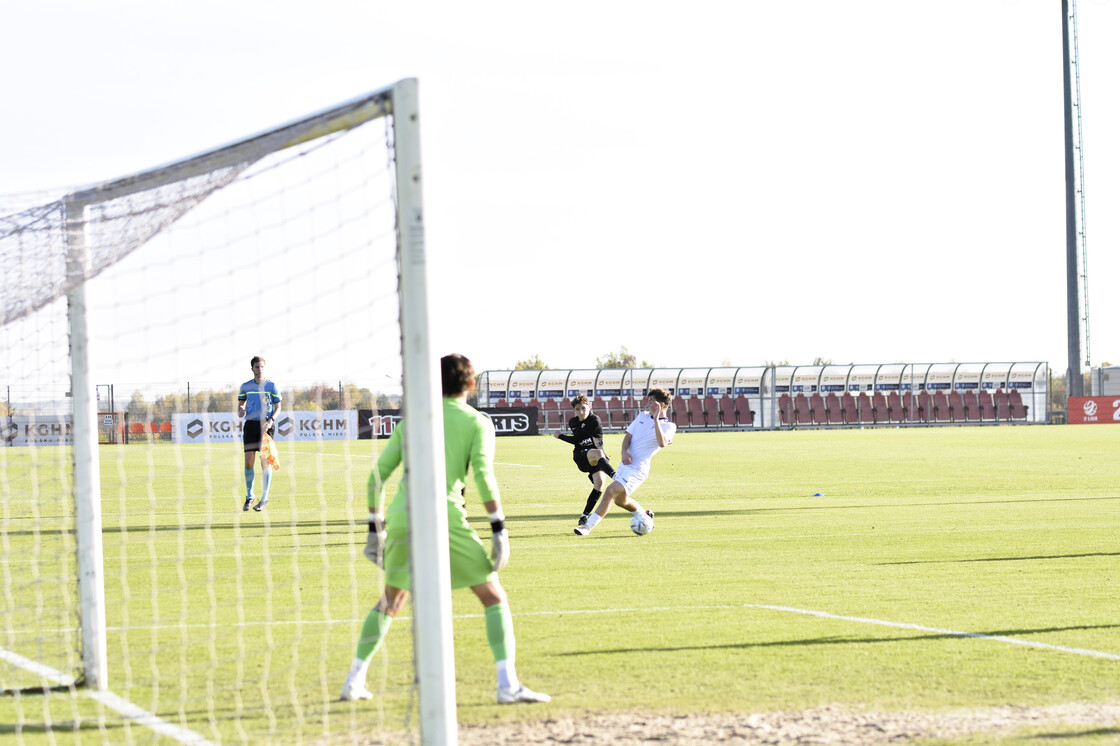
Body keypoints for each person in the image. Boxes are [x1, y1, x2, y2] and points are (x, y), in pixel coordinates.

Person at [340, 353, 550, 705]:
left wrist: (375, 530)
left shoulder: (411, 423)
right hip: (445, 519)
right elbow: (483, 476)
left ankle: (354, 680)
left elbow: (375, 477)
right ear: (471, 384)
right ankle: (507, 684)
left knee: (392, 601)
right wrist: (499, 528)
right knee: (494, 597)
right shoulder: (477, 422)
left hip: (403, 519)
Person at [574, 388, 675, 536]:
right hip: (625, 465)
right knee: (620, 501)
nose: (648, 404)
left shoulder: (669, 426)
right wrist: (624, 453)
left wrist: (656, 420)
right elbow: (628, 437)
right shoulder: (642, 416)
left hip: (638, 469)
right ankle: (644, 515)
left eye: (652, 402)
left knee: (610, 491)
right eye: (649, 400)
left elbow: (662, 443)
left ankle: (587, 527)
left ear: (662, 405)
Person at [552, 394, 616, 526]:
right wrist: (564, 436)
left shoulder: (595, 421)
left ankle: (584, 515)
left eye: (583, 408)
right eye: (577, 409)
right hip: (581, 456)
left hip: (598, 459)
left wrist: (560, 436)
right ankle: (616, 475)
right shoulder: (573, 422)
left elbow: (578, 438)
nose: (581, 412)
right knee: (598, 453)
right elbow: (578, 441)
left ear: (589, 407)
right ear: (574, 410)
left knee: (599, 485)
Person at [237, 356, 282, 512]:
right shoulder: (245, 386)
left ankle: (264, 498)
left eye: (262, 366)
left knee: (265, 462)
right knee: (249, 462)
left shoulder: (271, 386)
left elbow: (278, 407)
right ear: (252, 368)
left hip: (266, 426)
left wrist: (271, 421)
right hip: (250, 425)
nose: (259, 369)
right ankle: (250, 496)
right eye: (257, 367)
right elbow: (240, 405)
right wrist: (240, 410)